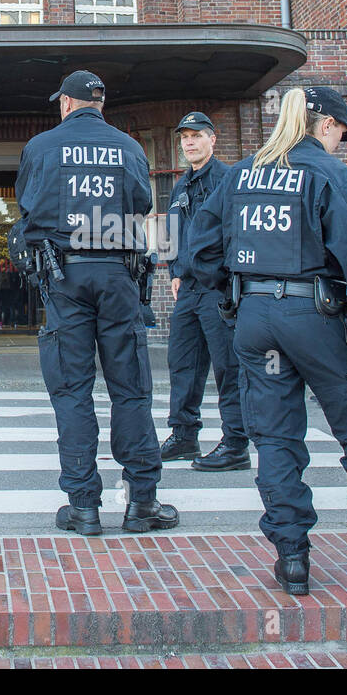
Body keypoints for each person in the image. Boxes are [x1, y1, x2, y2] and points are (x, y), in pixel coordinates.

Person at [188, 87, 347, 597]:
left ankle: (292, 560)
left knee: (275, 439)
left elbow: (200, 250)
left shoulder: (241, 174)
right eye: (340, 134)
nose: (340, 144)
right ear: (327, 125)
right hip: (319, 316)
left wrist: (236, 291)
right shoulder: (331, 175)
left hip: (255, 317)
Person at [13, 69, 177, 535]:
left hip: (65, 275)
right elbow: (143, 203)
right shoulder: (129, 147)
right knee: (131, 389)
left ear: (66, 103)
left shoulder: (41, 146)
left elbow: (27, 209)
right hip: (117, 274)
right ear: (99, 105)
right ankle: (141, 502)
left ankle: (84, 505)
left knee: (72, 390)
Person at [159, 111, 249, 470]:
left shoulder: (228, 179)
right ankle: (184, 435)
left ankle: (236, 443)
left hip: (218, 288)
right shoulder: (181, 185)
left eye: (196, 136)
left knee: (228, 366)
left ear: (213, 139)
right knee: (183, 363)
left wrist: (224, 278)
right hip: (189, 288)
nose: (189, 143)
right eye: (184, 138)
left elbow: (237, 233)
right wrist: (174, 270)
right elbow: (172, 231)